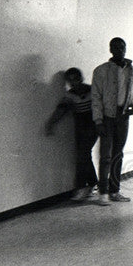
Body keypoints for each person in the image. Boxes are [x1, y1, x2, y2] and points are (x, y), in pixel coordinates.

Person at [90, 37, 133, 205]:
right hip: (107, 117)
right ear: (110, 49)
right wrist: (98, 120)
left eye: (122, 47)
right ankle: (103, 193)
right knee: (105, 156)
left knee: (118, 154)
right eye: (116, 47)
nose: (120, 50)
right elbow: (96, 97)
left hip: (123, 117)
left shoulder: (132, 71)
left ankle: (115, 191)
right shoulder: (100, 71)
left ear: (126, 48)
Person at [44, 67, 98, 202]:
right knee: (84, 155)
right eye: (70, 81)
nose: (73, 83)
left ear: (81, 78)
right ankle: (92, 185)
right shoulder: (70, 95)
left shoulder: (93, 90)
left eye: (76, 79)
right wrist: (51, 123)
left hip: (93, 127)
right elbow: (60, 110)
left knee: (82, 155)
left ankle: (82, 187)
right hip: (80, 128)